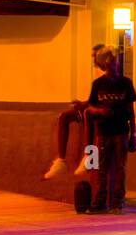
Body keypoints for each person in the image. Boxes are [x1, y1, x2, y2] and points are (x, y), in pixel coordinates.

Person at [85, 47, 136, 214]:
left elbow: (131, 111)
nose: (114, 66)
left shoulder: (126, 83)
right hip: (103, 131)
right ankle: (100, 201)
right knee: (102, 167)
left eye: (115, 62)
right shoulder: (98, 84)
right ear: (103, 65)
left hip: (121, 131)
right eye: (109, 63)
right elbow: (90, 107)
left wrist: (133, 135)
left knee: (120, 167)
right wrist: (100, 111)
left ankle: (118, 202)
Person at [43, 44, 108, 180]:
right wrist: (83, 103)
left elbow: (104, 98)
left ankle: (89, 156)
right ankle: (61, 161)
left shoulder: (110, 74)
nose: (93, 60)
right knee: (64, 117)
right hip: (95, 104)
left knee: (88, 114)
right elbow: (95, 97)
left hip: (107, 110)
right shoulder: (98, 73)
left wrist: (86, 104)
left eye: (95, 57)